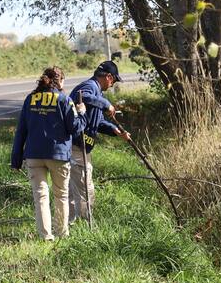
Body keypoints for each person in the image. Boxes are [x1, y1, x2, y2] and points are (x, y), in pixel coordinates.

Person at [11, 66, 87, 241]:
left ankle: (45, 236)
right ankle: (62, 233)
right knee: (61, 195)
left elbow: (21, 131)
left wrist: (16, 159)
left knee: (40, 196)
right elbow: (75, 129)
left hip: (33, 155)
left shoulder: (30, 99)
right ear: (59, 81)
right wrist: (82, 113)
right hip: (58, 155)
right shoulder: (64, 100)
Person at [68, 61, 131, 223]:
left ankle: (69, 226)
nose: (112, 84)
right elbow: (83, 96)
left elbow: (98, 122)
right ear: (108, 77)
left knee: (73, 191)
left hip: (79, 147)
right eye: (114, 81)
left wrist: (115, 131)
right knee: (85, 190)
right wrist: (106, 104)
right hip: (76, 147)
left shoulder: (97, 93)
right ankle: (85, 226)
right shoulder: (90, 87)